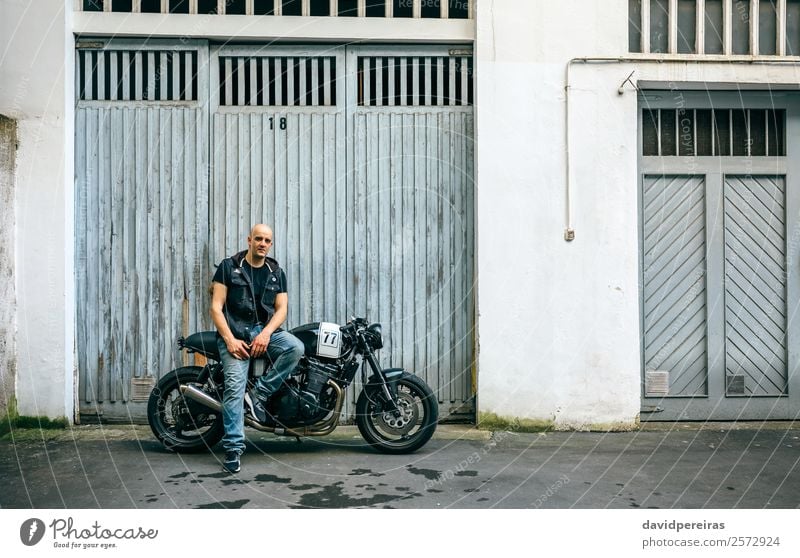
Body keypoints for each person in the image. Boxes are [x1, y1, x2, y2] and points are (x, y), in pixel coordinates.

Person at [210, 223, 305, 473]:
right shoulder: (229, 267)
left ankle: (259, 395)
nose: (263, 244)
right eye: (259, 239)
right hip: (235, 335)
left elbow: (281, 309)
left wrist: (266, 333)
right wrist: (230, 339)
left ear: (271, 244)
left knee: (295, 347)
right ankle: (233, 448)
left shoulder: (276, 271)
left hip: (262, 332)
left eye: (267, 240)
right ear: (249, 240)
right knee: (234, 386)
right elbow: (216, 307)